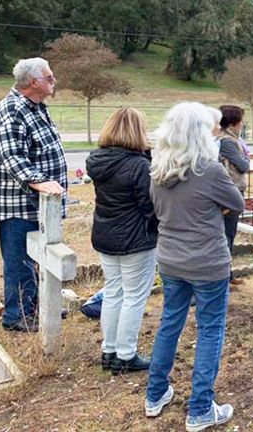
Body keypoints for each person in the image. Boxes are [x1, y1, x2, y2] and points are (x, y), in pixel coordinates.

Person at [144, 102, 245, 431]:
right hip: (207, 263)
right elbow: (237, 203)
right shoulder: (210, 170)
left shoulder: (158, 168)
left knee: (169, 323)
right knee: (210, 330)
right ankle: (201, 408)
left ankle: (155, 394)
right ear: (200, 134)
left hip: (171, 260)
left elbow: (160, 210)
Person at [0, 57, 66, 333]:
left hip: (38, 204)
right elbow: (13, 157)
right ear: (33, 82)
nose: (54, 82)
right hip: (17, 203)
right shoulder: (12, 109)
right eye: (49, 77)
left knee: (37, 259)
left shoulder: (36, 107)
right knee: (20, 261)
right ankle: (17, 316)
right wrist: (39, 181)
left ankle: (36, 306)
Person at [86, 108, 158, 374]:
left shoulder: (96, 159)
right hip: (135, 239)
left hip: (105, 233)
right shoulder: (138, 166)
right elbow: (149, 206)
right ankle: (126, 354)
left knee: (114, 292)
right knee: (134, 297)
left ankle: (109, 350)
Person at [217, 104, 250, 287]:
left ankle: (227, 275)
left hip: (232, 190)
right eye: (241, 120)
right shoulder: (228, 141)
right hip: (231, 192)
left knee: (228, 234)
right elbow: (243, 165)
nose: (242, 124)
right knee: (227, 235)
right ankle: (224, 277)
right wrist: (246, 159)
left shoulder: (228, 139)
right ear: (234, 122)